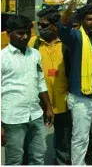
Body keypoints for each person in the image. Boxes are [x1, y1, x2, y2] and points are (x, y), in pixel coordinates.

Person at [58, 0, 92, 165]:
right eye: (89, 19)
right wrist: (68, 11)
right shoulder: (76, 38)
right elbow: (62, 28)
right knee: (80, 137)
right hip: (82, 98)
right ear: (82, 21)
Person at [1, 15, 54, 165]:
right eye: (20, 33)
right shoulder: (3, 58)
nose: (25, 37)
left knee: (38, 156)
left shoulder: (35, 54)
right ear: (8, 33)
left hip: (35, 115)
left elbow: (40, 82)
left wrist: (48, 107)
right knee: (14, 160)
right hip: (13, 118)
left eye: (27, 33)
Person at [28, 9, 71, 165]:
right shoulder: (33, 43)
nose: (40, 27)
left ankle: (61, 161)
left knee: (63, 137)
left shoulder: (66, 43)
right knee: (35, 136)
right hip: (39, 100)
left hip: (62, 99)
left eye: (44, 25)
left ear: (55, 26)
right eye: (39, 24)